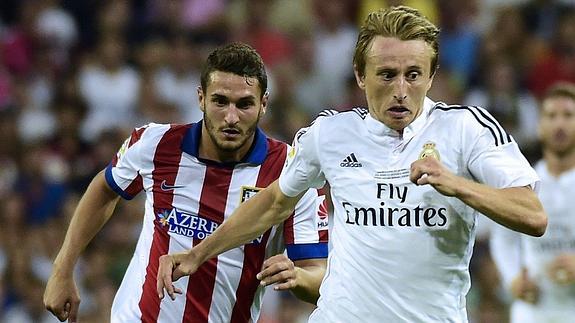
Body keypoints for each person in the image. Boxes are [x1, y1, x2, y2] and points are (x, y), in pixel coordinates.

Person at [157, 6, 548, 322]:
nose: (400, 90)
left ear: (432, 77)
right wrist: (197, 254)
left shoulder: (467, 129)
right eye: (386, 75)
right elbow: (275, 201)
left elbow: (533, 215)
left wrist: (457, 184)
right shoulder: (330, 134)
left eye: (414, 75)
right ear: (360, 76)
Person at [43, 42, 328, 323]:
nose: (231, 117)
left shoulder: (293, 173)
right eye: (220, 101)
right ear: (201, 98)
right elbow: (106, 189)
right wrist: (63, 268)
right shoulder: (155, 144)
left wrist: (298, 277)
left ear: (263, 104)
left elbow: (319, 278)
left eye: (244, 104)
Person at [490, 82, 575, 323]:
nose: (559, 123)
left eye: (568, 115)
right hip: (534, 310)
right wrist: (513, 278)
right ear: (539, 127)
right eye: (551, 116)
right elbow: (503, 238)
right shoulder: (523, 184)